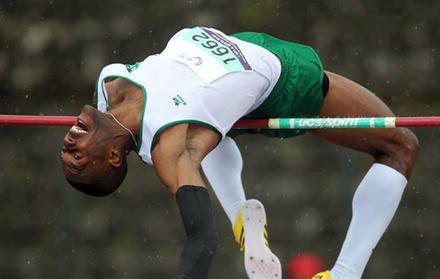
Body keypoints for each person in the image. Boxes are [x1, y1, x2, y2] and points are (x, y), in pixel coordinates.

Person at [60, 26, 419, 279]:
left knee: (201, 131)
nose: (67, 146)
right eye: (77, 159)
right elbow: (202, 242)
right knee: (400, 146)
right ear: (112, 159)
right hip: (280, 79)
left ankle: (243, 220)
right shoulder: (168, 145)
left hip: (234, 53)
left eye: (67, 154)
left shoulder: (109, 85)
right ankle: (344, 274)